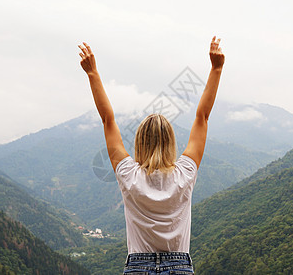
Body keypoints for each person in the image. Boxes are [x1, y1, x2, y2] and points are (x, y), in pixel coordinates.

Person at [79, 36, 224, 274]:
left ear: (139, 142)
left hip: (138, 266)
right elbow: (202, 118)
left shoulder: (128, 174)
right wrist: (216, 69)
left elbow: (108, 120)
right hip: (179, 267)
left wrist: (92, 73)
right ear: (171, 142)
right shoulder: (185, 173)